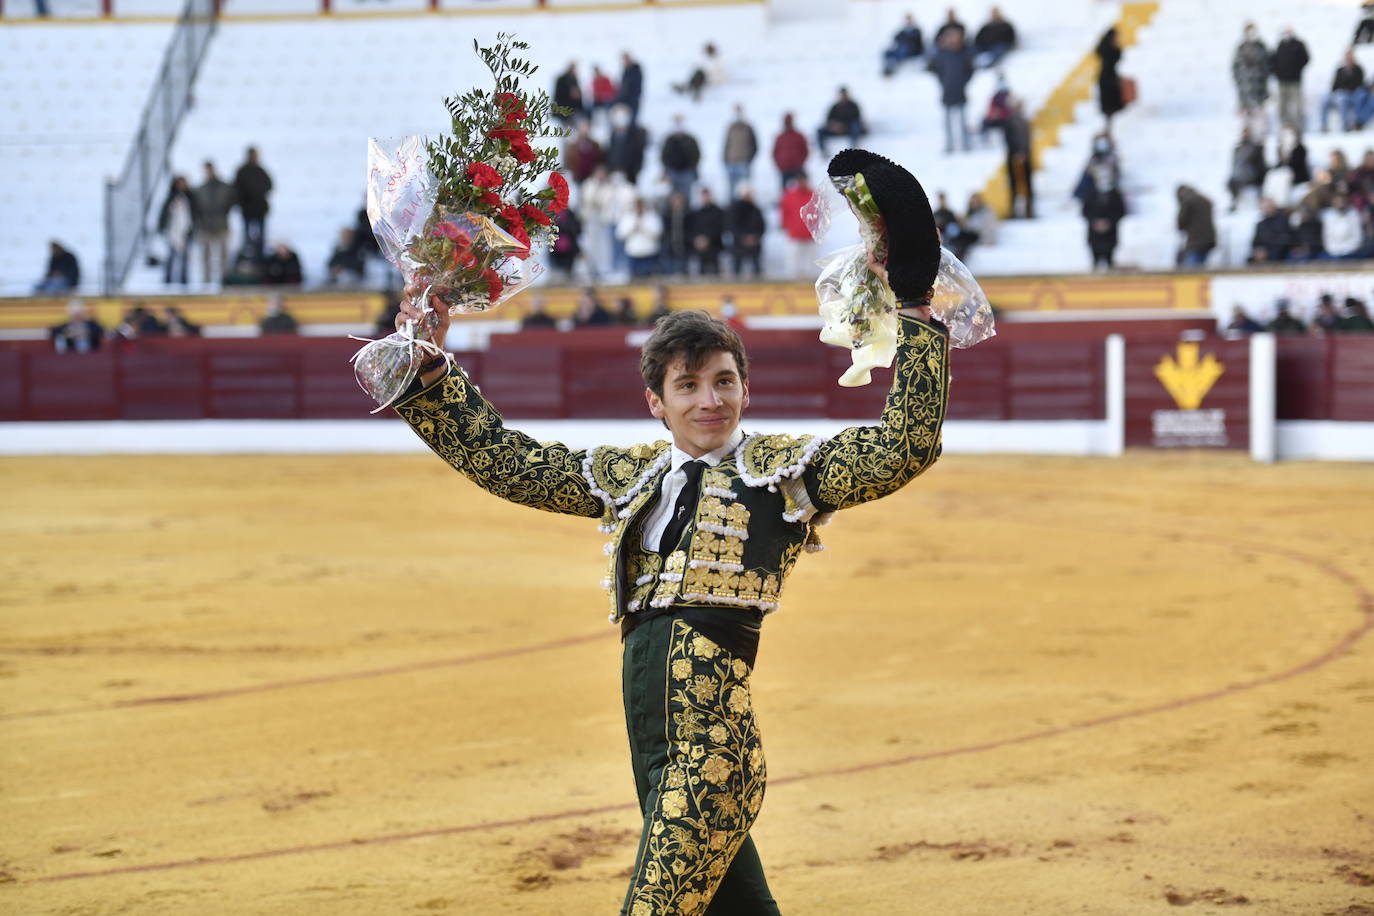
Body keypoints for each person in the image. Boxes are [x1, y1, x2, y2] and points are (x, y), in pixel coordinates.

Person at [388, 148, 950, 915]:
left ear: (745, 388)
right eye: (687, 386)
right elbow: (508, 464)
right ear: (657, 401)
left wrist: (913, 311)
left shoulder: (782, 473)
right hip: (654, 759)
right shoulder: (632, 477)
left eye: (723, 381)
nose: (709, 400)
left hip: (713, 761)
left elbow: (903, 446)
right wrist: (429, 373)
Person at [928, 28, 976, 154]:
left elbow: (970, 69)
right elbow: (934, 68)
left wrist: (963, 81)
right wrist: (943, 81)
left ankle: (966, 145)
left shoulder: (964, 52)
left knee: (963, 121)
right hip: (947, 92)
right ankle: (949, 145)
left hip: (960, 92)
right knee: (947, 123)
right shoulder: (942, 54)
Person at [194, 161, 235, 285]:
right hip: (205, 226)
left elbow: (231, 200)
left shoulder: (224, 187)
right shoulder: (201, 189)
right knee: (206, 254)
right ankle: (206, 278)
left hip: (221, 225)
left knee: (223, 254)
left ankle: (224, 278)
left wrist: (225, 211)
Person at [233, 146, 273, 262]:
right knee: (246, 238)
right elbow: (236, 190)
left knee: (261, 238)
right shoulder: (242, 171)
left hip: (260, 210)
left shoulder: (261, 170)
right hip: (247, 210)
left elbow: (269, 186)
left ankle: (260, 260)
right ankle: (247, 260)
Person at [1231, 23, 1270, 137]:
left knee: (1260, 120)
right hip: (1245, 90)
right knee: (1246, 119)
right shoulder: (1241, 48)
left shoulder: (1261, 47)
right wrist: (1240, 82)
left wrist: (1262, 80)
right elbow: (1235, 68)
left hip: (1259, 89)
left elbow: (1267, 66)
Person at [1270, 27, 1310, 135]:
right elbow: (1273, 61)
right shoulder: (1280, 45)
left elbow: (1306, 59)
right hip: (1282, 82)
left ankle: (1298, 127)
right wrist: (1277, 73)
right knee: (1283, 106)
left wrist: (1297, 69)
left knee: (1296, 105)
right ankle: (1285, 126)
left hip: (1295, 81)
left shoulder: (1298, 45)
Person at [1081, 179, 1126, 270]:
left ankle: (1111, 267)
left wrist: (1109, 222)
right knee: (1095, 254)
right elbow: (1085, 211)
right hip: (1094, 231)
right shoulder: (1090, 194)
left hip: (1111, 231)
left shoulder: (1115, 194)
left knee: (1110, 255)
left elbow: (1120, 211)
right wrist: (1095, 222)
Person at [779, 174, 817, 278]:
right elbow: (784, 211)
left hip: (810, 233)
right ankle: (792, 280)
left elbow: (819, 212)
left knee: (810, 262)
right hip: (794, 233)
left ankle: (810, 282)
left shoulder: (813, 195)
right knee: (793, 261)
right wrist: (785, 225)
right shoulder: (790, 195)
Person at [1003, 96, 1034, 218]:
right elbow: (1011, 140)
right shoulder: (1010, 121)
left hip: (1024, 157)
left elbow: (1026, 140)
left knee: (1027, 186)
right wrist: (1018, 153)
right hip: (1015, 157)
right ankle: (1015, 211)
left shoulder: (1024, 121)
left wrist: (1024, 153)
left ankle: (1028, 211)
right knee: (1014, 186)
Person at [618, 197, 663, 279]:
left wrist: (643, 226)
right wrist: (634, 227)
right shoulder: (627, 217)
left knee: (649, 277)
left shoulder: (652, 217)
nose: (639, 208)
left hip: (649, 251)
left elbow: (658, 233)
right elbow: (621, 235)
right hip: (633, 252)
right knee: (634, 277)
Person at [727, 186, 765, 277]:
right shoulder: (735, 209)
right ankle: (735, 280)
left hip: (754, 242)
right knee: (737, 263)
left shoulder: (756, 209)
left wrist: (755, 237)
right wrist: (743, 237)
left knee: (756, 265)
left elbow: (761, 227)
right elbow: (732, 226)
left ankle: (757, 280)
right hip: (739, 242)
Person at [1322, 50, 1365, 132]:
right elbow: (1334, 86)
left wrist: (1345, 87)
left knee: (1343, 100)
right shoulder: (1340, 70)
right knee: (1324, 100)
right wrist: (1337, 91)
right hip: (1339, 94)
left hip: (1352, 95)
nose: (1348, 60)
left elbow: (1359, 84)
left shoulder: (1358, 69)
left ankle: (1345, 126)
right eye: (1347, 58)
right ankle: (1323, 126)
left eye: (1350, 57)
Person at [815, 87, 866, 155]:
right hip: (836, 129)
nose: (843, 96)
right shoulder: (835, 107)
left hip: (849, 129)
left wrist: (844, 126)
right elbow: (828, 120)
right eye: (842, 95)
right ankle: (823, 151)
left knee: (855, 126)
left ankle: (853, 148)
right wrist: (835, 126)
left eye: (845, 94)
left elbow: (857, 119)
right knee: (820, 131)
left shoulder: (853, 105)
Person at [660, 116, 702, 199]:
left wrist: (693, 168)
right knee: (673, 196)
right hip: (673, 172)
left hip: (686, 172)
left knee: (686, 195)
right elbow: (664, 156)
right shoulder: (669, 140)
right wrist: (667, 170)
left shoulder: (690, 140)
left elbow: (696, 155)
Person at [1175, 185, 1216, 267]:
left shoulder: (1187, 201)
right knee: (1200, 265)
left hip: (1195, 240)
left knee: (1191, 269)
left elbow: (1181, 222)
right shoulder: (1204, 199)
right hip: (1209, 239)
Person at [606, 104, 649, 184]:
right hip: (613, 174)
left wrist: (634, 171)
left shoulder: (636, 135)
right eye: (618, 116)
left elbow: (638, 155)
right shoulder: (612, 135)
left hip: (630, 175)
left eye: (623, 116)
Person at [1226, 127, 1267, 211]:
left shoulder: (1255, 148)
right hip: (1239, 175)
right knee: (1231, 182)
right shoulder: (1238, 148)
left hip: (1251, 175)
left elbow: (1260, 164)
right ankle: (1234, 201)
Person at [722, 105, 758, 200]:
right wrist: (726, 159)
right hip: (731, 163)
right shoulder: (731, 127)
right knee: (732, 191)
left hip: (744, 163)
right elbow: (726, 144)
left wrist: (749, 159)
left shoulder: (748, 128)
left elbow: (755, 146)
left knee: (744, 190)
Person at [689, 187, 726, 277]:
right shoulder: (697, 213)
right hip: (700, 248)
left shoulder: (718, 212)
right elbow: (693, 229)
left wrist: (708, 239)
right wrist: (697, 240)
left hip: (715, 246)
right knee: (701, 273)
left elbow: (720, 228)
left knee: (716, 273)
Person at [771, 112, 809, 193]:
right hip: (784, 168)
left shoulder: (798, 136)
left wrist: (800, 164)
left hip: (797, 168)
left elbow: (805, 151)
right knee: (785, 192)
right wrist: (780, 165)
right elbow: (775, 152)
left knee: (801, 190)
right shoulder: (780, 137)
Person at [1320, 193, 1365, 259]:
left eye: (1342, 202)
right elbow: (1327, 237)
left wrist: (1345, 250)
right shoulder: (1328, 216)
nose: (1340, 204)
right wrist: (1335, 251)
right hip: (1332, 253)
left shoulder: (1354, 215)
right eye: (1337, 202)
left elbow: (1357, 238)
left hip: (1352, 253)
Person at [1248, 197, 1293, 263]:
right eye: (1264, 208)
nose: (1266, 210)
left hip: (1278, 253)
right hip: (1263, 254)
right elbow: (1255, 242)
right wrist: (1258, 250)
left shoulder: (1282, 220)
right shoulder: (1260, 225)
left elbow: (1285, 239)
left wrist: (1267, 252)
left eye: (1268, 207)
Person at [660, 191, 693, 278]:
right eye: (675, 201)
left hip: (684, 246)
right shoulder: (667, 216)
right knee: (670, 272)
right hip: (670, 247)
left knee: (684, 272)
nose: (677, 203)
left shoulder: (689, 215)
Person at [1096, 28, 1124, 125]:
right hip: (1107, 78)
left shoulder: (1108, 48)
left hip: (1111, 77)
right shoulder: (1107, 49)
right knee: (1109, 105)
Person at [618, 51, 644, 125]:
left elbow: (633, 86)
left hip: (633, 99)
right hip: (625, 99)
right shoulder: (625, 71)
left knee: (633, 120)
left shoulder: (636, 70)